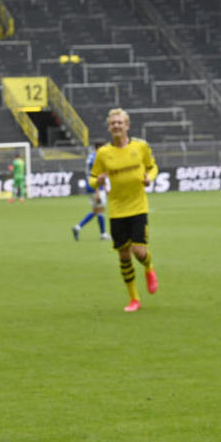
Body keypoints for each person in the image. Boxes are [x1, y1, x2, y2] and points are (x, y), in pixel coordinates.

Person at [89, 108, 159, 313]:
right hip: (117, 210)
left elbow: (153, 167)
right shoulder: (103, 153)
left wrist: (149, 178)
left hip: (138, 207)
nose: (116, 126)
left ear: (127, 125)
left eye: (120, 122)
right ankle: (134, 298)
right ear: (109, 127)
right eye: (113, 123)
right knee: (124, 255)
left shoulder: (141, 147)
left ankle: (148, 267)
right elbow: (92, 179)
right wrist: (98, 181)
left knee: (139, 252)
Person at [73, 141, 110, 241]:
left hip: (89, 186)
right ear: (98, 148)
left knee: (95, 211)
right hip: (96, 187)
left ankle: (78, 227)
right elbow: (97, 176)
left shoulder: (91, 157)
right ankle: (103, 234)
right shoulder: (97, 159)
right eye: (103, 148)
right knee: (100, 210)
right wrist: (99, 191)